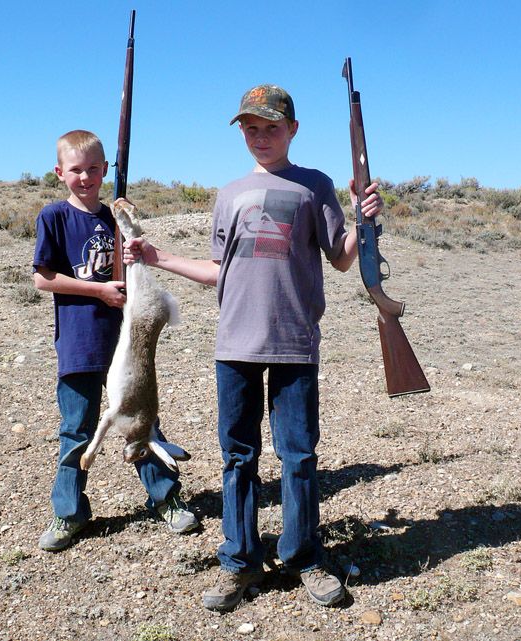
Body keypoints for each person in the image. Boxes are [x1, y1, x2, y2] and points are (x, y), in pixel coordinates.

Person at [123, 86, 383, 609]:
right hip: (235, 346)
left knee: (299, 456)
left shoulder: (315, 186)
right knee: (237, 457)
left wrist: (362, 218)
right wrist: (158, 256)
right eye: (250, 128)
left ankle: (304, 557)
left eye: (271, 127)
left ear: (293, 129)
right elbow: (219, 270)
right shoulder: (230, 193)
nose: (260, 137)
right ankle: (239, 561)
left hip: (295, 344)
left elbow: (341, 259)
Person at [32, 129, 199, 552]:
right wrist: (100, 290)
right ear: (59, 172)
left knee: (143, 423)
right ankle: (68, 514)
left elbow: (142, 262)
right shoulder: (54, 217)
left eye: (93, 169)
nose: (85, 177)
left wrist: (135, 252)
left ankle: (166, 499)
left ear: (106, 169)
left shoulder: (115, 218)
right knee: (76, 430)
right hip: (79, 343)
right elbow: (42, 278)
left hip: (126, 345)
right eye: (76, 170)